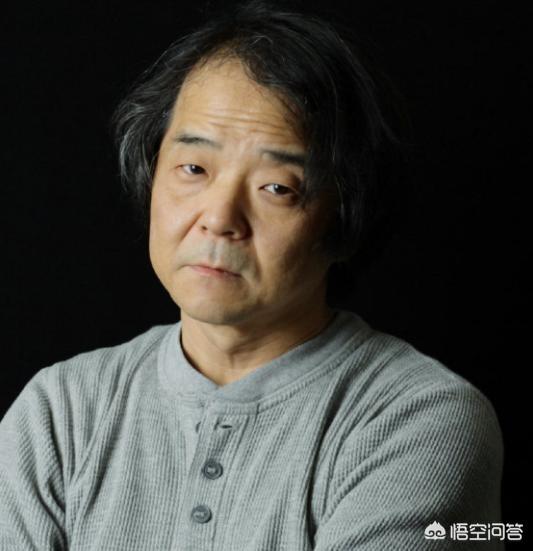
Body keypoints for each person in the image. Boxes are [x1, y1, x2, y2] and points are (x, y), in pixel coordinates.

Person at [0, 1, 503, 549]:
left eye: (277, 187)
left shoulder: (419, 420)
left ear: (343, 215)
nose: (219, 218)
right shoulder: (60, 412)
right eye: (194, 168)